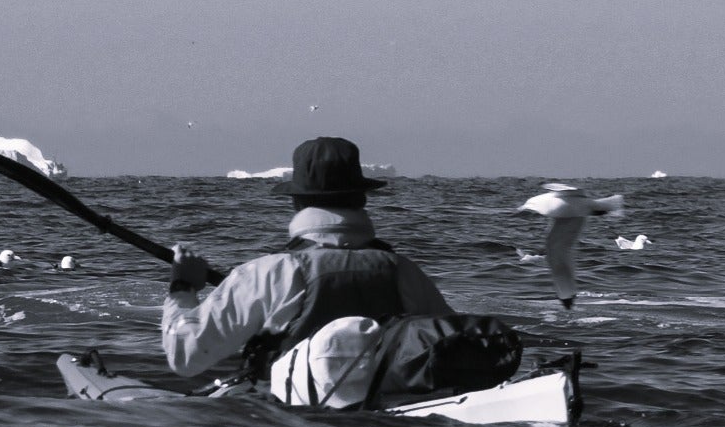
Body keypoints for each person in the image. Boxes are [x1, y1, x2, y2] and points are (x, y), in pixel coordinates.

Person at [163, 136, 514, 405]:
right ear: (361, 199)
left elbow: (185, 357)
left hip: (283, 424)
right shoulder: (403, 272)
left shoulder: (267, 273)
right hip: (384, 423)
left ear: (296, 201)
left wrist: (183, 287)